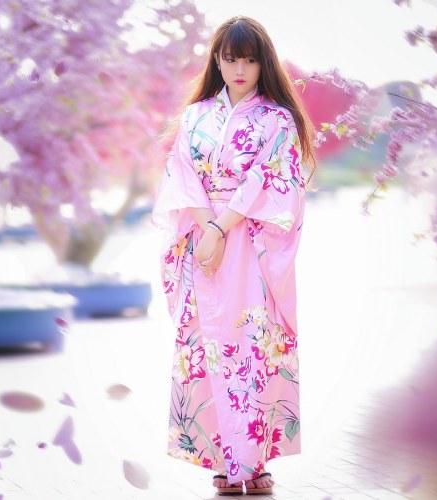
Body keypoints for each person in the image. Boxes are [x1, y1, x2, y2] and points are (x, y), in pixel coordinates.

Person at [152, 15, 316, 496]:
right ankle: (223, 461)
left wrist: (221, 228)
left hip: (249, 244)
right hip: (204, 244)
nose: (240, 68)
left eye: (249, 59)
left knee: (252, 346)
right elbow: (182, 175)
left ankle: (256, 458)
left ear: (262, 63)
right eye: (230, 59)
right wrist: (205, 229)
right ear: (217, 61)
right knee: (207, 348)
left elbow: (269, 179)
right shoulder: (196, 116)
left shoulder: (277, 120)